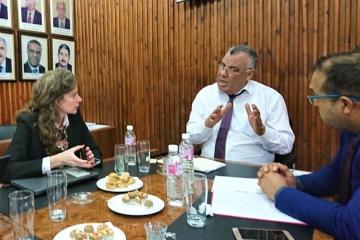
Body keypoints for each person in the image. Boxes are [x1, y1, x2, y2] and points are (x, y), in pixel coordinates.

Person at [257, 51, 360, 239]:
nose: (314, 104)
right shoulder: (351, 128)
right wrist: (297, 183)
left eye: (316, 97)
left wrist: (280, 193)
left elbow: (351, 225)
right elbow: (336, 174)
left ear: (345, 105)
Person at [186, 44, 294, 164]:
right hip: (209, 168)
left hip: (252, 174)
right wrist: (207, 125)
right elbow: (191, 138)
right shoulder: (205, 94)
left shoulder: (271, 98)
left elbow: (286, 145)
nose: (222, 73)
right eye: (222, 65)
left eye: (233, 69)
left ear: (248, 74)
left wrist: (263, 132)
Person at [4, 69, 102, 182]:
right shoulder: (29, 121)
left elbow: (96, 152)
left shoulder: (73, 116)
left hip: (71, 187)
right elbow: (8, 169)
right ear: (56, 100)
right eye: (73, 95)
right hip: (40, 192)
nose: (80, 99)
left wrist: (89, 159)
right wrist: (58, 160)